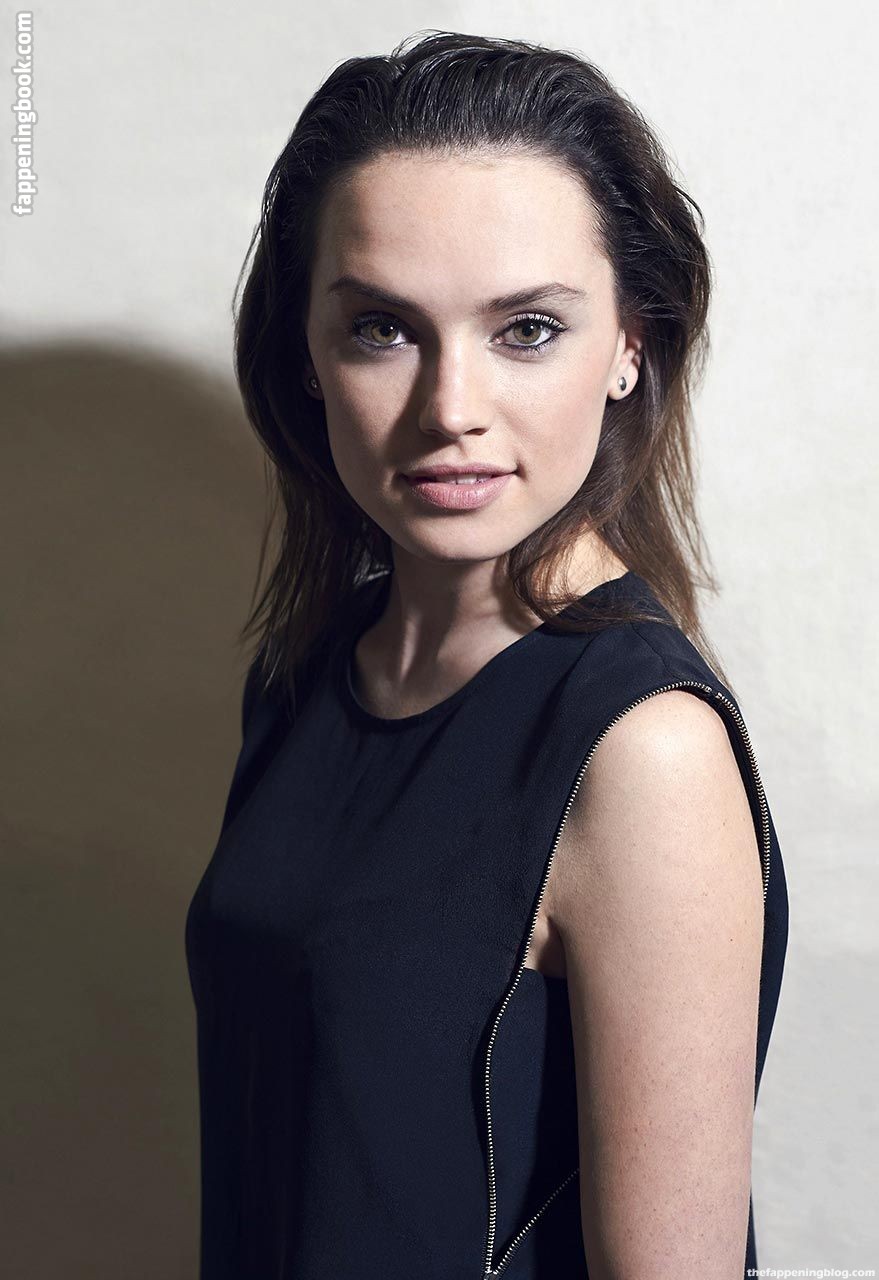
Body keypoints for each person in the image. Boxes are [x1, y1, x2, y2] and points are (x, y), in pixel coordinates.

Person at [185, 29, 789, 1279]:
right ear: (308, 354)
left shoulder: (643, 750)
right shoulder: (302, 673)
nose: (450, 407)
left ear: (630, 344)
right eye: (382, 329)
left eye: (526, 329)